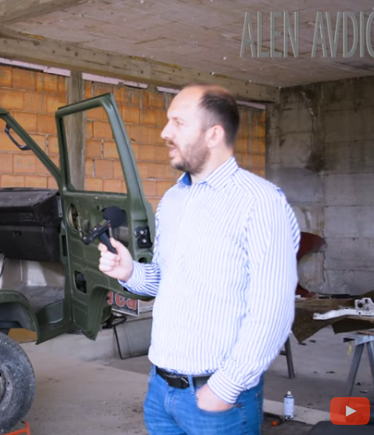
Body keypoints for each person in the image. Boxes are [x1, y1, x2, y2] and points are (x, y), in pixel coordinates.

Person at [99, 84, 300, 434]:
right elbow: (166, 280)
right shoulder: (173, 200)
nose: (165, 132)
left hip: (218, 400)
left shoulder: (260, 202)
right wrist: (129, 271)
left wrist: (226, 386)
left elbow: (273, 309)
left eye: (177, 122)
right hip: (161, 391)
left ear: (213, 134)